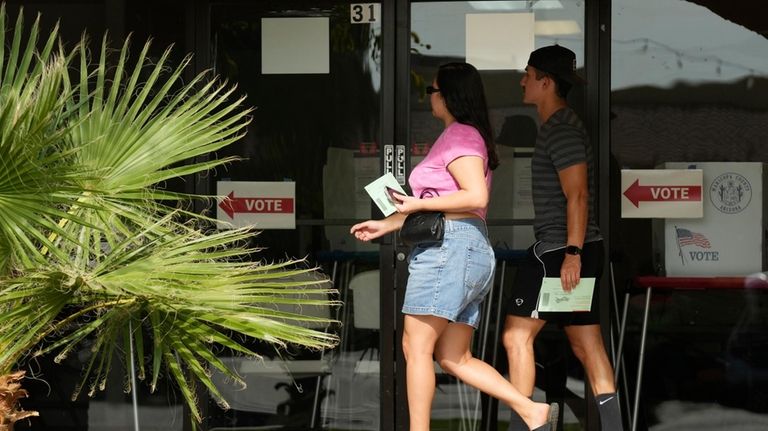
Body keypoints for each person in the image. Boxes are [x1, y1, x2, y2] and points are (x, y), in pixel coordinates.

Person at [350, 62, 558, 431]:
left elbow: (473, 195)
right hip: (463, 247)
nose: (429, 97)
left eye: (431, 91)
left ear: (447, 95)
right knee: (454, 356)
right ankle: (531, 410)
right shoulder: (462, 136)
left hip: (450, 249)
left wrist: (416, 204)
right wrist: (387, 224)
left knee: (416, 349)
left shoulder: (461, 136)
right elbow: (446, 203)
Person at [501, 45, 624, 431]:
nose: (522, 81)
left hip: (560, 250)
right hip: (572, 248)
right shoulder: (559, 126)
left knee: (515, 338)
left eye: (528, 74)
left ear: (546, 81)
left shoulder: (562, 129)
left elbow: (579, 195)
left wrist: (572, 253)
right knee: (586, 345)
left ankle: (526, 426)